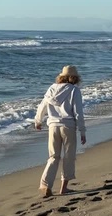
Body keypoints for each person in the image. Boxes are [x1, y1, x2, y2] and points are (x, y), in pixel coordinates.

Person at [35, 65, 86, 197]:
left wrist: (38, 121)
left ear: (61, 77)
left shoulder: (51, 89)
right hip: (68, 126)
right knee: (68, 157)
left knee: (53, 157)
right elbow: (78, 112)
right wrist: (82, 130)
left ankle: (46, 185)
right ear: (74, 78)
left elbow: (42, 106)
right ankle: (63, 188)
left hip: (52, 126)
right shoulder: (74, 90)